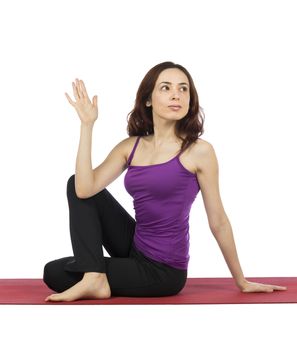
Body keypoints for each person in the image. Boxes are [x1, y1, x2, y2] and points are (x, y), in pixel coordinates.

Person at [43, 61, 287, 302]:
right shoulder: (132, 147)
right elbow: (84, 189)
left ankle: (95, 279)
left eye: (183, 89)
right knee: (56, 258)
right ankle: (94, 276)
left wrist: (241, 280)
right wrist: (87, 125)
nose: (176, 95)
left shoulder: (199, 151)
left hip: (163, 270)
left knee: (59, 274)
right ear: (148, 99)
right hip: (134, 248)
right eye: (166, 88)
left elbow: (218, 221)